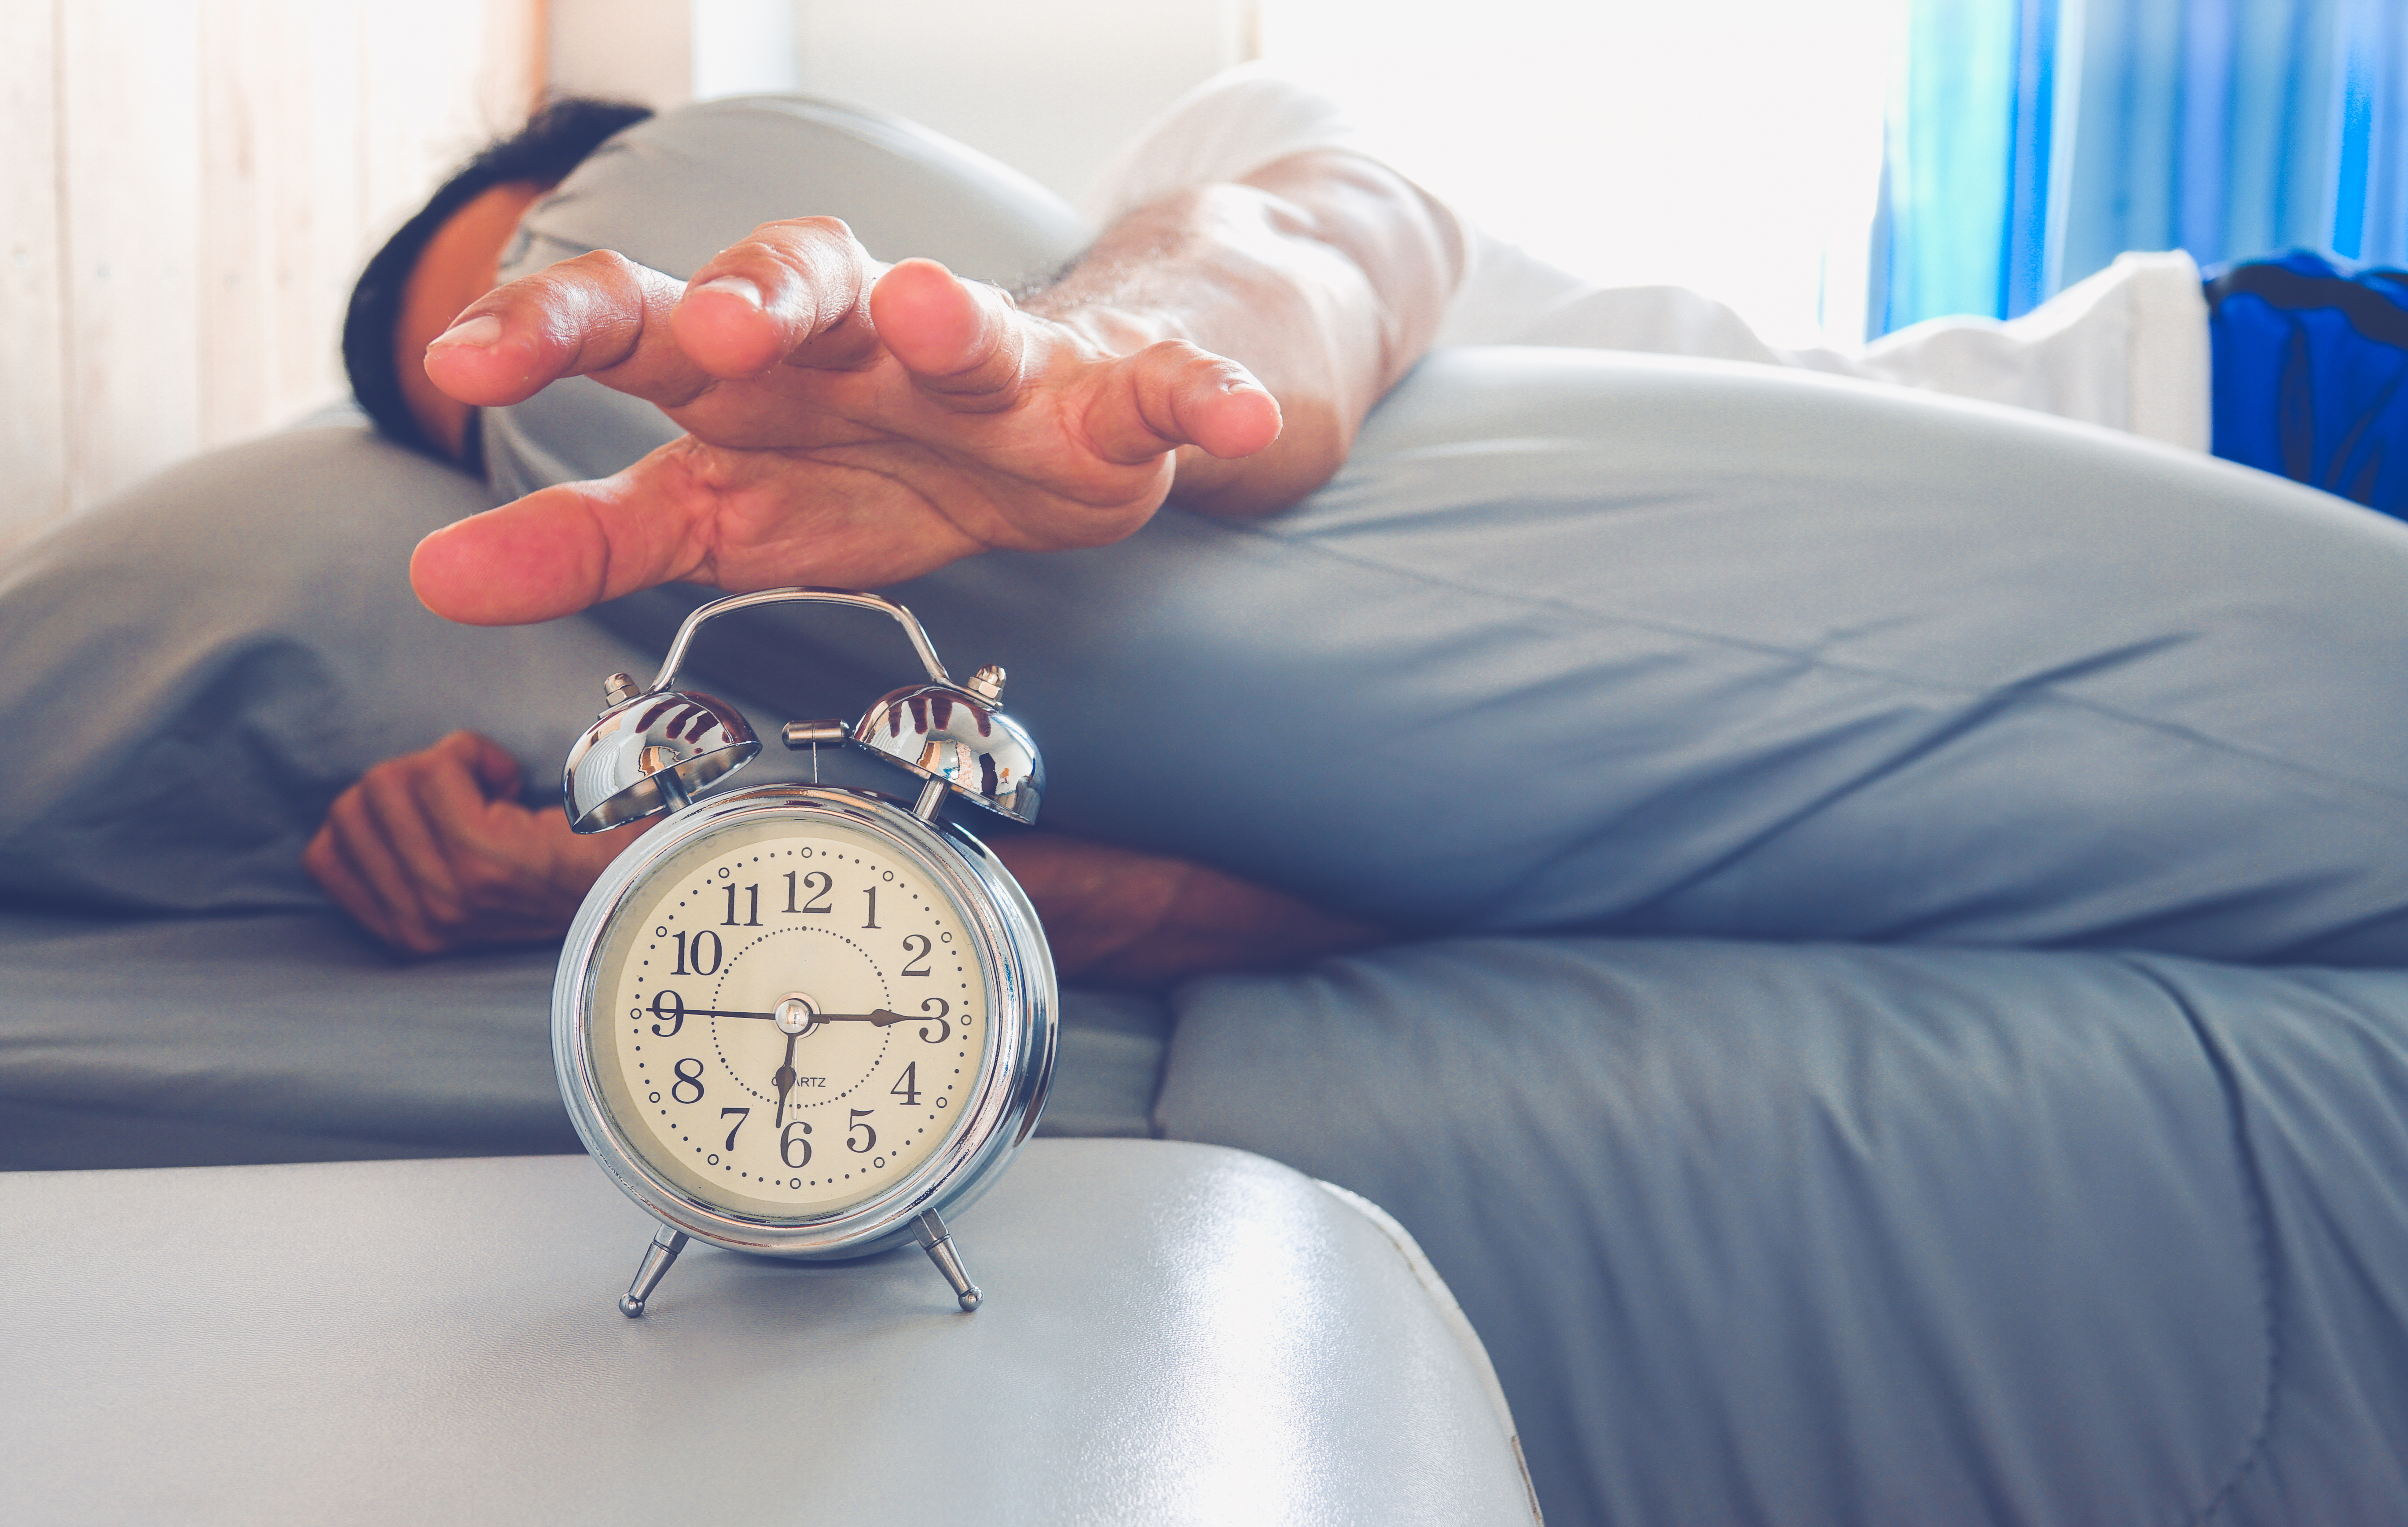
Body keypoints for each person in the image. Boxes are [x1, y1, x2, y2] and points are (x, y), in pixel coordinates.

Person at [308, 69, 2408, 975]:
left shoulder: (1188, 189)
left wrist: (1091, 366)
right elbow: (1309, 908)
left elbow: (1319, 243)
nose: (592, 396)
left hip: (2243, 403)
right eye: (494, 409)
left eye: (575, 293)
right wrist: (658, 880)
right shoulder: (797, 678)